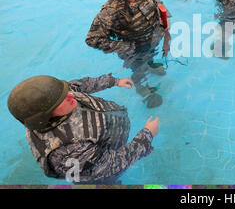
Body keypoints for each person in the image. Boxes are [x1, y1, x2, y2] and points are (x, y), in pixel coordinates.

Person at [7, 73, 160, 184]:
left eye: (65, 91)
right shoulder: (67, 151)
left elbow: (80, 85)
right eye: (63, 98)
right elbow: (109, 165)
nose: (71, 95)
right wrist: (146, 137)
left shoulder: (56, 96)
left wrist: (114, 81)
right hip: (99, 172)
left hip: (108, 139)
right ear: (45, 116)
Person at [86, 0, 171, 108]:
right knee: (138, 70)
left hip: (151, 41)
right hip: (135, 51)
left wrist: (165, 18)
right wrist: (125, 46)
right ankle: (143, 89)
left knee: (149, 57)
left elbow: (158, 2)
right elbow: (93, 38)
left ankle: (150, 64)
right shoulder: (112, 11)